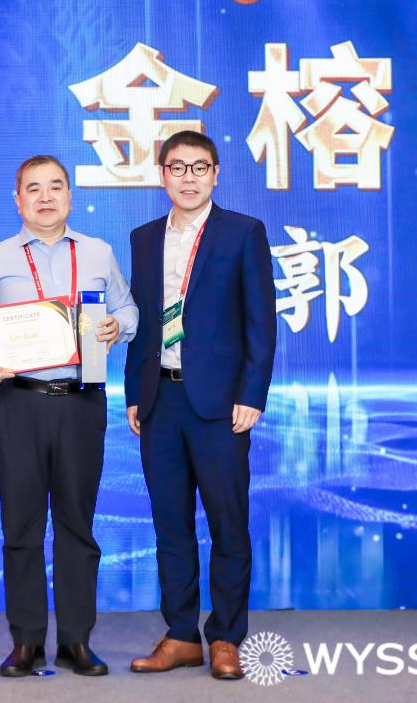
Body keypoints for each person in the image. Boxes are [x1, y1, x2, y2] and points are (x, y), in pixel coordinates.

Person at [0, 155, 137, 677]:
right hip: (19, 404)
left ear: (70, 196)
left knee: (78, 524)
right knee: (21, 525)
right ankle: (27, 640)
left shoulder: (97, 252)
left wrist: (116, 326)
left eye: (56, 186)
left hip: (82, 401)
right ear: (18, 200)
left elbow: (129, 310)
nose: (46, 197)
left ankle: (76, 640)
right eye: (33, 188)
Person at [124, 130, 276, 679]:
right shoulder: (144, 238)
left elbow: (261, 321)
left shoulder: (242, 232)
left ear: (216, 174)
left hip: (220, 405)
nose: (188, 178)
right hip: (160, 399)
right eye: (177, 167)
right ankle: (182, 635)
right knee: (171, 525)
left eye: (199, 167)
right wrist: (135, 393)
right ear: (161, 174)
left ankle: (226, 637)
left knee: (228, 524)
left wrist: (252, 394)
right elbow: (143, 322)